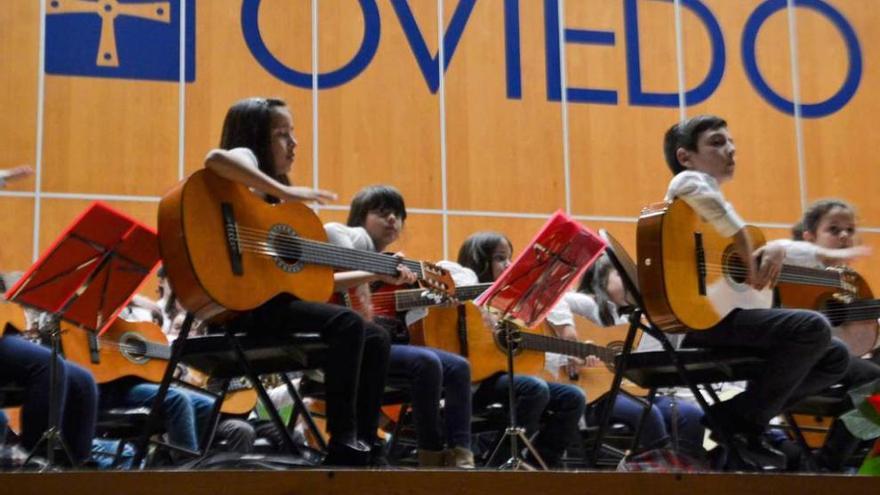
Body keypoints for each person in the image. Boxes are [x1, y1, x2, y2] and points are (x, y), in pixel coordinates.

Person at [200, 97, 390, 466]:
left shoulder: (277, 213)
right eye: (281, 134)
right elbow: (215, 159)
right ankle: (342, 440)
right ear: (256, 138)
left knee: (376, 335)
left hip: (273, 304)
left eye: (293, 134)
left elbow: (317, 283)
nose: (294, 144)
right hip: (241, 306)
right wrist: (286, 192)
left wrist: (376, 270)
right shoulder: (246, 167)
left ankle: (366, 441)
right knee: (348, 324)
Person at [659, 115, 853, 466]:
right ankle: (744, 422)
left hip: (720, 320)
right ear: (685, 157)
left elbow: (741, 257)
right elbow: (730, 225)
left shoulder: (710, 221)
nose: (730, 149)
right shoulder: (687, 183)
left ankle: (738, 416)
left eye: (731, 142)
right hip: (691, 324)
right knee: (813, 328)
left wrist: (774, 248)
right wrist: (748, 246)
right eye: (717, 142)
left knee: (836, 356)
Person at [324, 185, 474, 468]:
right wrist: (378, 270)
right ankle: (429, 453)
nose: (392, 219)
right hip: (346, 347)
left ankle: (461, 454)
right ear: (359, 216)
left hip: (381, 345)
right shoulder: (340, 238)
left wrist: (419, 298)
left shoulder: (398, 268)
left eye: (397, 214)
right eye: (382, 213)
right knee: (427, 362)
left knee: (459, 367)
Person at [455, 231, 586, 468]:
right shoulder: (463, 279)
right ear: (478, 260)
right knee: (535, 389)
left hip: (501, 376)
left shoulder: (515, 301)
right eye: (500, 258)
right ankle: (500, 466)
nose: (508, 264)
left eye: (509, 258)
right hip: (474, 381)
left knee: (573, 397)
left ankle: (539, 464)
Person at [773, 199, 880, 471]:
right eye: (834, 230)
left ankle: (854, 460)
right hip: (801, 362)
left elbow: (859, 341)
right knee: (874, 380)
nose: (845, 236)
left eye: (849, 230)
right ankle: (830, 465)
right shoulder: (790, 275)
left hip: (839, 361)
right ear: (809, 237)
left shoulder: (850, 282)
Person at [564, 254, 706, 456]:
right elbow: (556, 303)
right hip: (598, 397)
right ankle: (661, 472)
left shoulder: (637, 316)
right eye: (623, 275)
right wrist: (573, 348)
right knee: (647, 412)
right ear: (601, 278)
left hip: (635, 391)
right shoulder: (586, 304)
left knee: (692, 415)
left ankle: (689, 474)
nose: (633, 282)